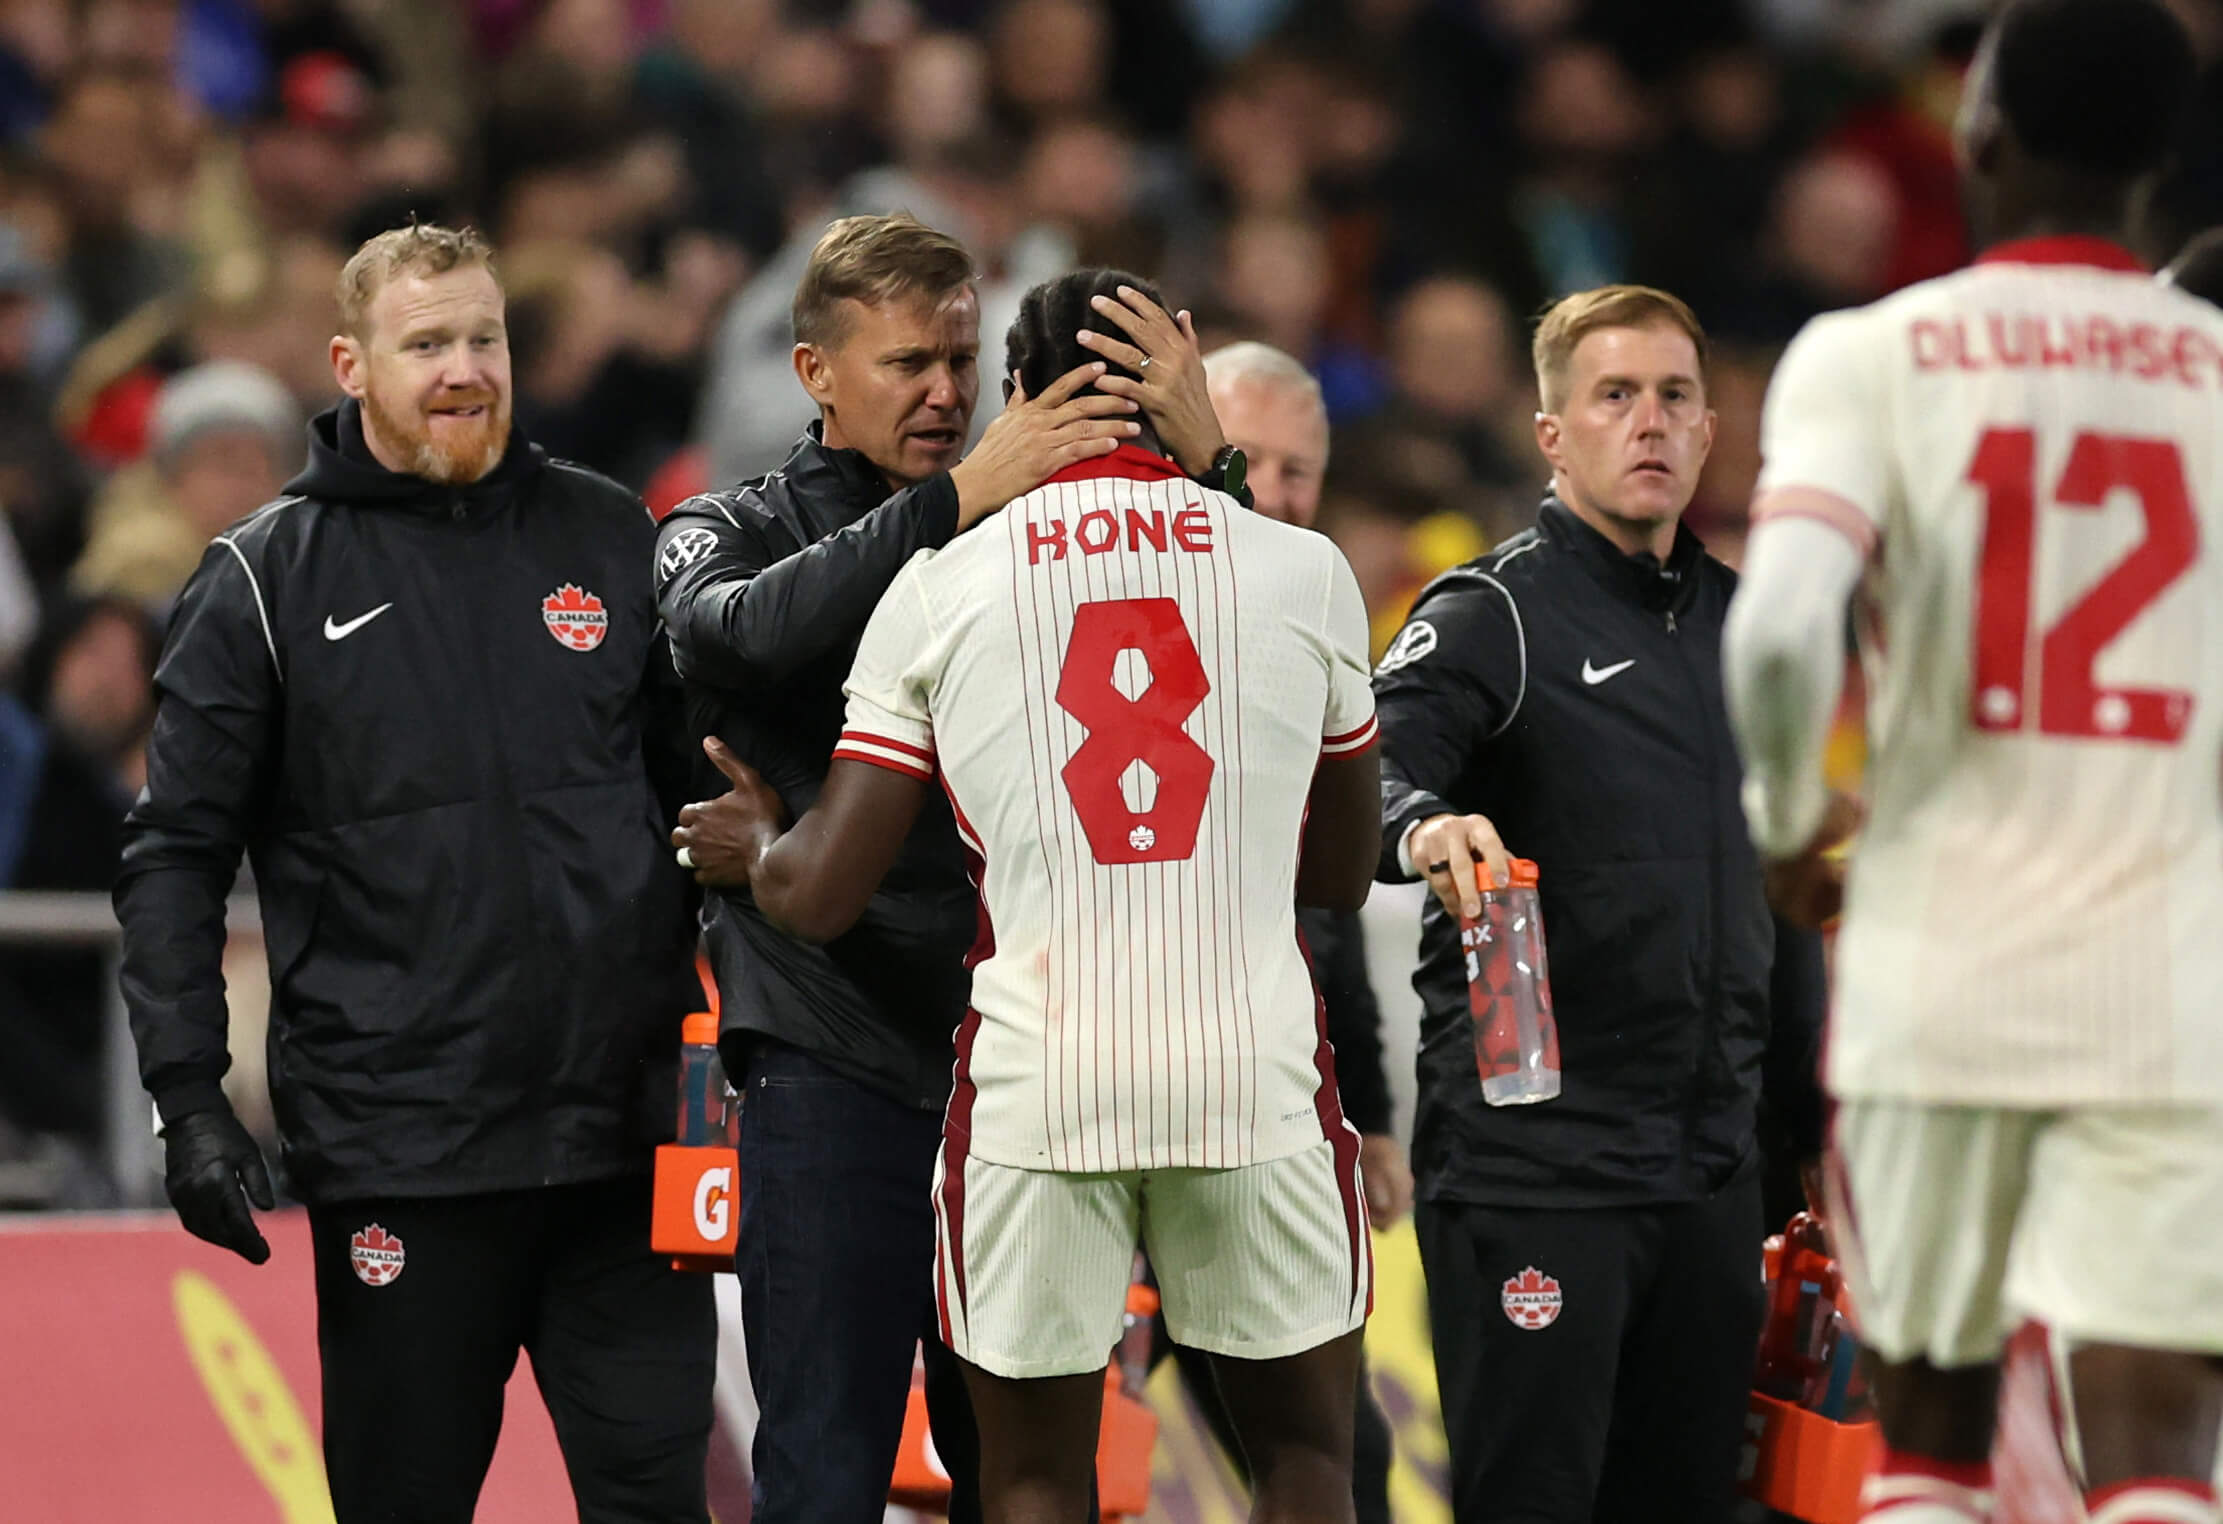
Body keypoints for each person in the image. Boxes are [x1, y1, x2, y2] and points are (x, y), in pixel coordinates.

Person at [696, 268, 1382, 1524]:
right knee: (1307, 1464)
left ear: (1013, 394)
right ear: (1180, 370)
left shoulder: (941, 582)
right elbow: (1338, 876)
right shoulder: (1304, 570)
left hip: (1038, 1080)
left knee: (1025, 1481)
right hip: (1251, 1072)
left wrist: (759, 841)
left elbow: (825, 889)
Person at [113, 222, 715, 1524]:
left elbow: (704, 806)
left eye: (483, 338)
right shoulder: (262, 582)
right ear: (350, 363)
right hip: (408, 1161)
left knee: (662, 1504)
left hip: (628, 1152)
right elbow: (172, 859)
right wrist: (189, 1098)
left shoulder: (610, 534)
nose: (462, 369)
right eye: (426, 342)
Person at [1725, 4, 2223, 1521]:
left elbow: (1777, 632)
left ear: (1979, 135)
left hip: (1938, 962)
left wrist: (1787, 816)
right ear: (2151, 162)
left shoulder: (1870, 356)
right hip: (2162, 971)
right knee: (2147, 1434)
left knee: (1927, 1442)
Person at [654, 215, 1221, 1524]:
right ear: (814, 374)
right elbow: (732, 639)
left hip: (1014, 1065)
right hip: (825, 1054)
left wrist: (1213, 462)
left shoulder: (1038, 531)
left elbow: (1218, 638)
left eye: (960, 361)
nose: (944, 393)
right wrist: (960, 498)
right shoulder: (720, 526)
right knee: (824, 1467)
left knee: (1030, 1479)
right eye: (907, 362)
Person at [1371, 283, 1826, 1523]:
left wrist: (1813, 1125)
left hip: (1713, 1179)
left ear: (1711, 429)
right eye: (1615, 396)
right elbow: (1357, 773)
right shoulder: (1490, 615)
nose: (1652, 423)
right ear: (1553, 433)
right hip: (1540, 1174)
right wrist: (1422, 823)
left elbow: (1779, 893)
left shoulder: (1751, 630)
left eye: (1677, 396)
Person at [1129, 337, 1398, 1524]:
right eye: (1247, 458)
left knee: (1345, 1458)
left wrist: (1377, 1111)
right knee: (1061, 1465)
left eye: (1299, 470)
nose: (1276, 491)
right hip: (1095, 1113)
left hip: (1252, 1115)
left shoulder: (1313, 623)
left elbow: (1330, 911)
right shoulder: (1102, 611)